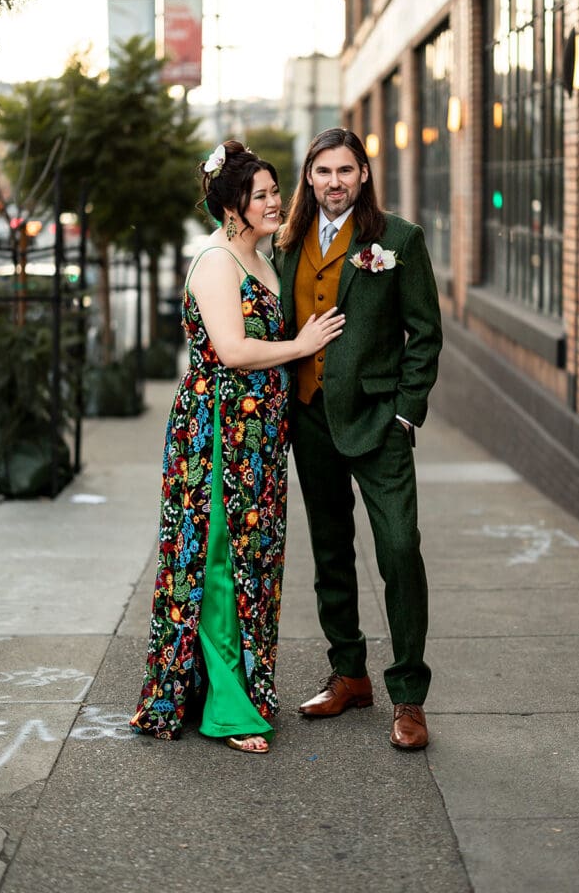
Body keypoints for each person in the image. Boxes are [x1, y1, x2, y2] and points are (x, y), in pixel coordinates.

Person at [130, 139, 344, 753]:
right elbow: (231, 350)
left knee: (256, 560)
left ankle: (231, 688)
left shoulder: (261, 256)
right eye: (262, 195)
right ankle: (228, 708)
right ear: (232, 207)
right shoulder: (217, 262)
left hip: (258, 438)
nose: (276, 202)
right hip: (217, 433)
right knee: (219, 561)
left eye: (276, 191)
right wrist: (301, 347)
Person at [275, 127, 442, 751]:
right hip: (309, 418)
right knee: (330, 552)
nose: (334, 182)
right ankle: (349, 674)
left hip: (378, 421)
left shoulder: (398, 240)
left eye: (345, 170)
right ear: (309, 177)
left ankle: (409, 696)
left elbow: (425, 333)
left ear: (363, 175)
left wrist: (406, 413)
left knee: (399, 549)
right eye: (323, 171)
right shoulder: (287, 242)